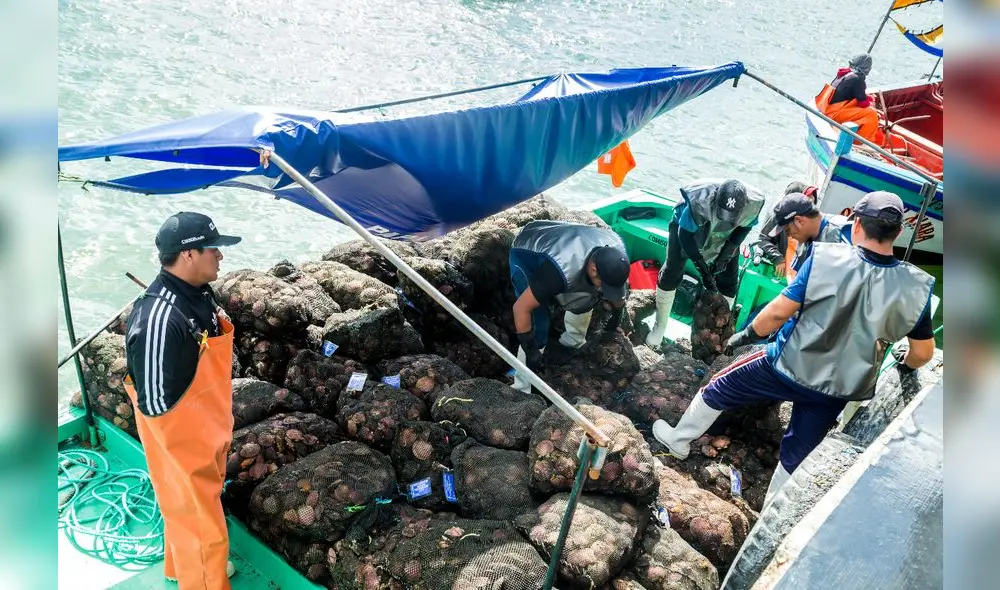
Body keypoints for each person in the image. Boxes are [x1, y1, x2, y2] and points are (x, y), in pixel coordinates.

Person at [651, 191, 936, 507]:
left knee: (720, 386)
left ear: (857, 223)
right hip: (839, 389)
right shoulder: (917, 285)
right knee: (799, 451)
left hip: (787, 364)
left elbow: (778, 312)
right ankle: (773, 512)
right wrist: (906, 363)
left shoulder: (826, 258)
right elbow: (923, 353)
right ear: (899, 231)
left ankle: (678, 440)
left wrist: (745, 336)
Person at [123, 212, 242, 588]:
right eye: (213, 249)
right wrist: (191, 446)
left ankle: (182, 568)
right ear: (189, 254)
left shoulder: (199, 293)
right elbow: (154, 404)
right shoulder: (158, 319)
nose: (220, 256)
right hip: (181, 436)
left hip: (208, 425)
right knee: (197, 519)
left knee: (195, 509)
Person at [509, 220, 631, 393]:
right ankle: (522, 386)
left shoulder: (618, 255)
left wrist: (616, 318)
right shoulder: (558, 272)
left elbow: (617, 293)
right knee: (539, 321)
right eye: (604, 284)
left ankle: (572, 341)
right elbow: (520, 308)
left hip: (570, 243)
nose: (606, 290)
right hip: (527, 249)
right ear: (594, 269)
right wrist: (530, 349)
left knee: (589, 298)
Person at [646, 179, 765, 349]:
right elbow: (685, 236)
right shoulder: (698, 202)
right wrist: (702, 268)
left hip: (728, 232)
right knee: (672, 270)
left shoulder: (753, 205)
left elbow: (744, 229)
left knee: (729, 281)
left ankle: (713, 338)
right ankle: (658, 329)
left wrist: (724, 257)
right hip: (688, 228)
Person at [765, 191, 851, 277]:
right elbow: (800, 281)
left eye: (787, 230)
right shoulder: (803, 245)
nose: (788, 235)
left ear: (799, 221)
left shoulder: (843, 230)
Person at [753, 181, 819, 278]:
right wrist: (778, 259)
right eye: (807, 199)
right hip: (784, 264)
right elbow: (763, 239)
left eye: (812, 200)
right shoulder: (777, 215)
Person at [817, 53, 882, 143]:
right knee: (872, 114)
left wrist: (866, 97)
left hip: (826, 108)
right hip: (833, 114)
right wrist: (871, 101)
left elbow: (846, 94)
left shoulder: (844, 73)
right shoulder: (857, 79)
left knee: (866, 112)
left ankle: (849, 131)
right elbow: (863, 104)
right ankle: (859, 142)